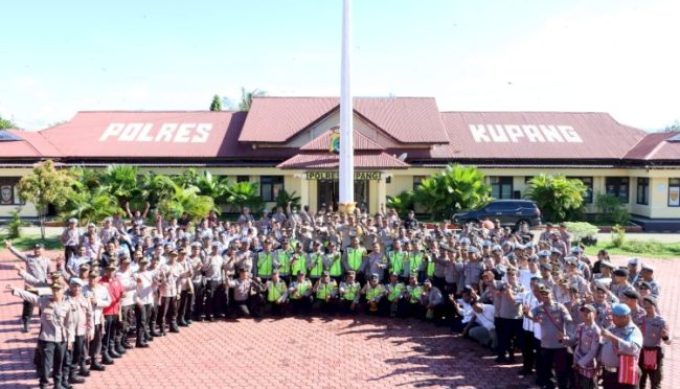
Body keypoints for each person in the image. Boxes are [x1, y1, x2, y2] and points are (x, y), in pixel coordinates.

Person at [6, 282, 72, 389]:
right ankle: (44, 384)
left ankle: (57, 384)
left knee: (59, 364)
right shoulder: (44, 301)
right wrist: (16, 290)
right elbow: (31, 297)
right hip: (47, 339)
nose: (56, 292)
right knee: (46, 365)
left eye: (58, 290)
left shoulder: (67, 304)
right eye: (54, 290)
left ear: (62, 291)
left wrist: (70, 340)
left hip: (61, 339)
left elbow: (70, 324)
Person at [524, 285, 573, 389]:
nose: (545, 296)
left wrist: (566, 334)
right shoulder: (539, 308)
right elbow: (530, 315)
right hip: (546, 345)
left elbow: (568, 320)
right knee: (546, 369)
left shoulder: (559, 306)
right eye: (542, 295)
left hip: (559, 344)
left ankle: (562, 386)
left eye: (547, 294)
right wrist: (526, 312)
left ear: (551, 294)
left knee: (561, 370)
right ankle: (549, 386)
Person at [5, 240, 51, 332]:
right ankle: (26, 322)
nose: (37, 250)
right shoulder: (28, 258)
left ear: (43, 250)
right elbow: (18, 254)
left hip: (43, 286)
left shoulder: (47, 260)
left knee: (44, 304)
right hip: (31, 285)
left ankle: (44, 322)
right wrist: (10, 247)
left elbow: (48, 273)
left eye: (39, 249)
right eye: (35, 249)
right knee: (28, 305)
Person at [599, 303, 643, 389]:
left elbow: (632, 349)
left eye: (614, 316)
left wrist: (611, 337)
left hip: (624, 374)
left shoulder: (634, 331)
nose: (612, 318)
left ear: (624, 317)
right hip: (608, 374)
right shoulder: (612, 328)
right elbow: (603, 345)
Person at [638, 296, 670, 389]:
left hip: (654, 352)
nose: (647, 309)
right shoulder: (641, 319)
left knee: (655, 380)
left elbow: (668, 341)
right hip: (642, 352)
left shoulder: (661, 321)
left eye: (649, 306)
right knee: (641, 379)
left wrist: (665, 336)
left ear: (654, 306)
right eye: (645, 307)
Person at [82, 268, 110, 371]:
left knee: (97, 340)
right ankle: (83, 363)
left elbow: (108, 301)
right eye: (90, 277)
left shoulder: (102, 289)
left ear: (98, 278)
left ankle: (94, 361)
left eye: (94, 277)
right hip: (85, 320)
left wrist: (97, 302)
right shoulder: (82, 289)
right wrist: (86, 302)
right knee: (85, 341)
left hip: (98, 318)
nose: (92, 280)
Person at [570, 304, 601, 389]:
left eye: (588, 312)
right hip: (577, 362)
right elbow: (574, 341)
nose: (585, 314)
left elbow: (593, 352)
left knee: (588, 385)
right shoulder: (580, 326)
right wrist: (564, 340)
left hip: (588, 365)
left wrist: (580, 363)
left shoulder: (596, 331)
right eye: (583, 311)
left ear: (594, 314)